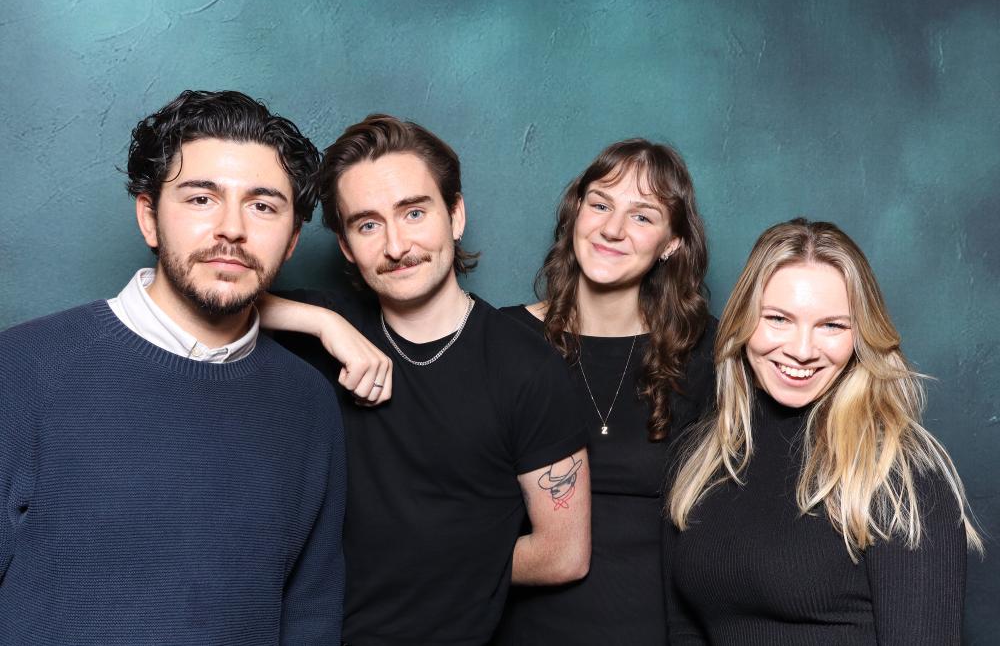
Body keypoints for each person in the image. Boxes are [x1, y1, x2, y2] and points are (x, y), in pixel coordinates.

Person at [0, 90, 362, 644]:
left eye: (263, 206)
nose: (232, 229)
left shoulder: (309, 403)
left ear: (291, 240)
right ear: (149, 218)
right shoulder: (24, 369)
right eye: (200, 198)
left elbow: (309, 614)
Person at [261, 114, 592, 645]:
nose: (396, 245)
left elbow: (563, 554)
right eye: (367, 225)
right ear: (346, 246)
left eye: (414, 213)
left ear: (455, 215)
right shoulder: (323, 332)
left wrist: (431, 563)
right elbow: (199, 298)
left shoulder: (525, 366)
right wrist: (324, 324)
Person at [666, 218, 982, 644]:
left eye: (832, 325)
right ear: (742, 320)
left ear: (862, 336)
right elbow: (684, 630)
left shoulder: (901, 476)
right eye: (778, 318)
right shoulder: (701, 458)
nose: (801, 351)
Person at [492, 139, 716, 644]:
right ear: (576, 213)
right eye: (600, 204)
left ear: (672, 243)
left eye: (642, 216)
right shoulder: (501, 339)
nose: (612, 229)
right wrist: (324, 324)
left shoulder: (709, 353)